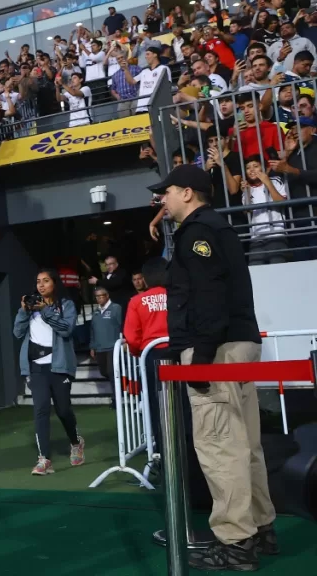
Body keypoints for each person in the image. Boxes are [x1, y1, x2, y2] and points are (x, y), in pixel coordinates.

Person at [147, 164, 277, 571]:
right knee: (245, 442)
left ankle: (236, 541)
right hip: (237, 344)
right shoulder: (216, 228)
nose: (160, 199)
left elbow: (208, 297)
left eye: (165, 192)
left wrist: (200, 357)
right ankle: (259, 530)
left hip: (216, 350)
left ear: (187, 193)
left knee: (220, 445)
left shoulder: (197, 232)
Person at [13, 268, 85, 476]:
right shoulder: (30, 308)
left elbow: (66, 329)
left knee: (63, 410)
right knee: (41, 409)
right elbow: (17, 333)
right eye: (38, 281)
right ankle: (44, 459)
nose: (41, 285)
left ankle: (75, 442)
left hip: (59, 365)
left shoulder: (66, 305)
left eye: (46, 281)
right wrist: (23, 311)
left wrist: (46, 311)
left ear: (55, 283)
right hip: (36, 367)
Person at [89, 287, 123, 407]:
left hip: (113, 346)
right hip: (100, 347)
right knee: (104, 372)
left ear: (107, 295)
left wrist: (123, 342)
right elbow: (92, 330)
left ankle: (116, 399)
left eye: (101, 296)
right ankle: (121, 387)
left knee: (112, 372)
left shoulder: (116, 308)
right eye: (97, 296)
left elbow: (121, 325)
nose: (98, 298)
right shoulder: (96, 312)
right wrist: (92, 346)